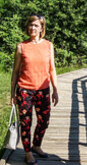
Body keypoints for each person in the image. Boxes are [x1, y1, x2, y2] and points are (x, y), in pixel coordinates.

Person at [9, 14, 58, 165]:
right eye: (31, 25)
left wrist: (55, 89)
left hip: (43, 90)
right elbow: (15, 72)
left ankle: (36, 145)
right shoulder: (21, 46)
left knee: (44, 121)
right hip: (24, 90)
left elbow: (52, 69)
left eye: (36, 25)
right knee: (26, 123)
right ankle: (28, 153)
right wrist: (12, 93)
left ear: (42, 28)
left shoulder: (48, 45)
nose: (32, 28)